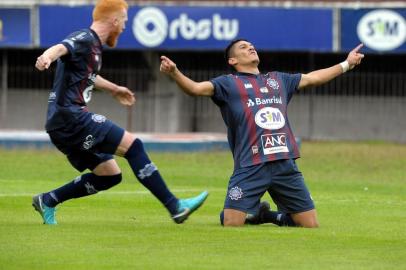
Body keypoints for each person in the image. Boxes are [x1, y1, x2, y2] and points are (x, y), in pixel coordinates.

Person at [33, 0, 208, 225]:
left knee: (110, 175)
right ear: (115, 20)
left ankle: (48, 200)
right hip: (71, 117)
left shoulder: (94, 47)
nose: (124, 27)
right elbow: (62, 47)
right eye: (124, 21)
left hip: (60, 123)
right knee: (134, 146)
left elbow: (87, 77)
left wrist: (114, 89)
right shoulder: (85, 38)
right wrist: (47, 57)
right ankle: (175, 206)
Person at [160, 39, 364, 227]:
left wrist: (346, 64)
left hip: (284, 162)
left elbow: (312, 78)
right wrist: (174, 73)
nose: (250, 47)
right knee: (231, 223)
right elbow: (195, 89)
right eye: (243, 47)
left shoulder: (277, 80)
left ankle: (267, 216)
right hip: (251, 164)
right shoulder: (227, 84)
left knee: (310, 225)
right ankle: (247, 212)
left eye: (251, 45)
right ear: (232, 60)